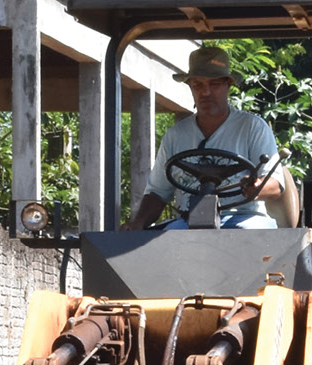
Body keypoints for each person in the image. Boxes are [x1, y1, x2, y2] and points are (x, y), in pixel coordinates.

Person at [124, 45, 301, 230]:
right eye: (198, 85)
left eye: (214, 84)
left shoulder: (252, 127)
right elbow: (158, 192)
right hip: (189, 221)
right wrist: (138, 223)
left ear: (228, 85)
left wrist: (256, 187)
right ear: (190, 87)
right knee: (162, 240)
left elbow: (276, 185)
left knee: (247, 235)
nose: (205, 92)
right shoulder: (175, 136)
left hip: (243, 219)